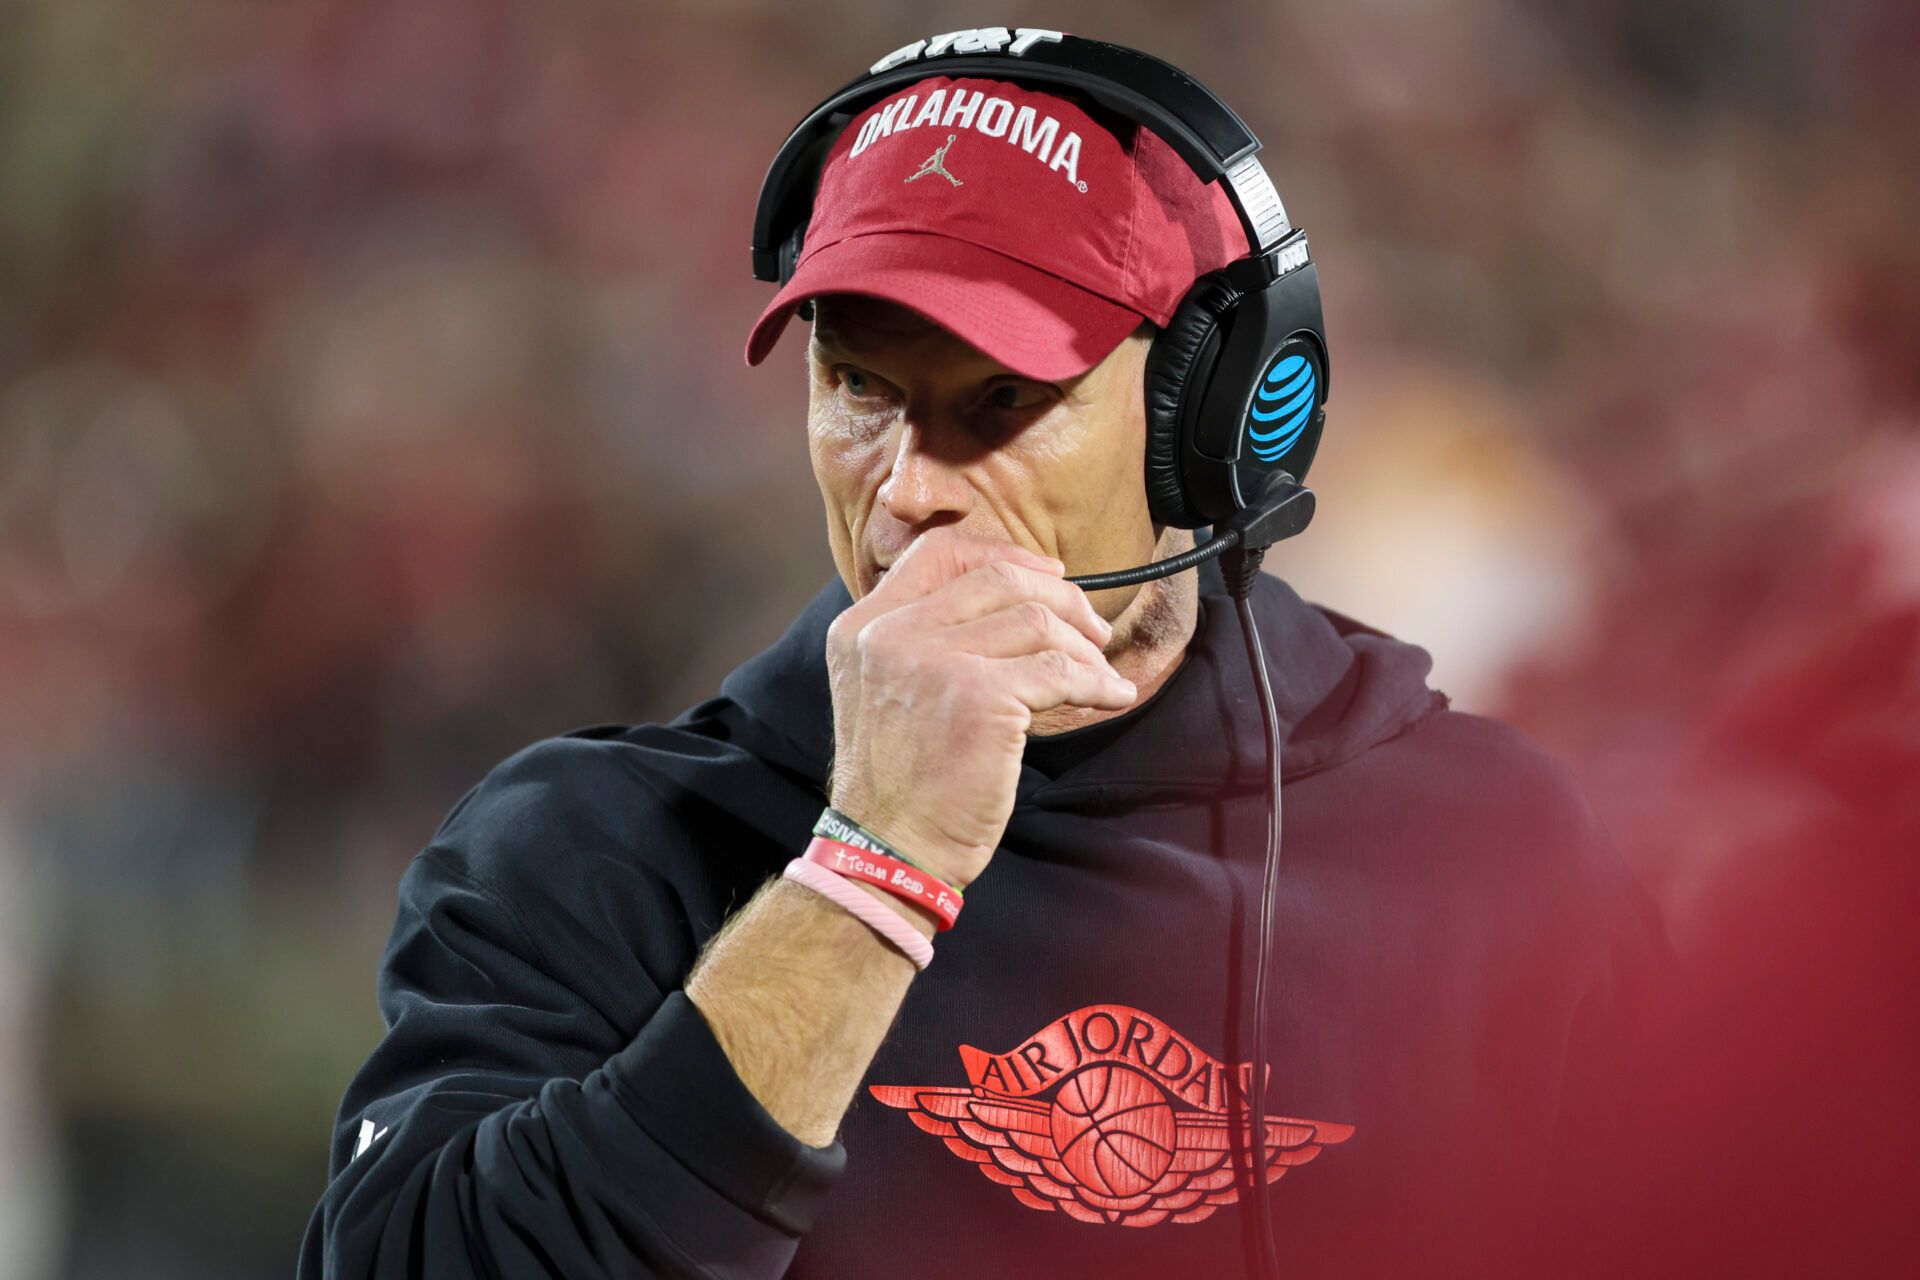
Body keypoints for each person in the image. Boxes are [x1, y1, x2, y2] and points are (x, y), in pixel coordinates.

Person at [299, 57, 1671, 1280]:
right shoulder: (590, 849)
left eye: (1001, 403)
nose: (906, 493)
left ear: (1215, 420)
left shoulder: (1502, 855)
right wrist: (867, 870)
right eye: (859, 390)